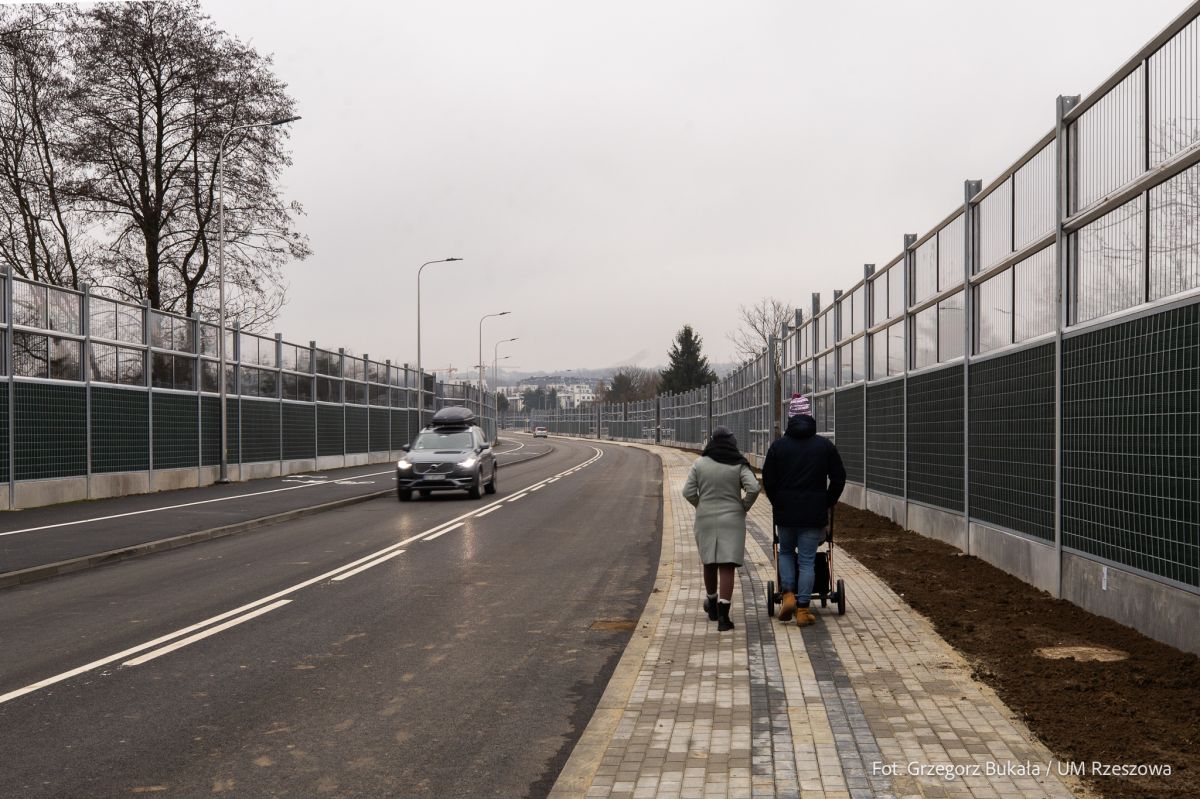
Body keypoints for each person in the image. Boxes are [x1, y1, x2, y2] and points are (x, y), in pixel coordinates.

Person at [761, 400, 846, 627]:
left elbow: (768, 479)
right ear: (810, 416)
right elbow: (839, 478)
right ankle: (803, 610)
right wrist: (827, 502)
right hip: (813, 514)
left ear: (790, 418)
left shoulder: (778, 447)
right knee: (807, 561)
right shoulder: (824, 446)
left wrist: (777, 501)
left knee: (786, 552)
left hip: (786, 513)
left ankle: (788, 594)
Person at [682, 426, 761, 632]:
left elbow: (687, 491)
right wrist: (743, 506)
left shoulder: (700, 464)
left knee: (709, 562)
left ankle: (712, 605)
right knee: (727, 565)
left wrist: (700, 505)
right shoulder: (738, 464)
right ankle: (724, 617)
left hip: (705, 519)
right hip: (733, 520)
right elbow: (753, 487)